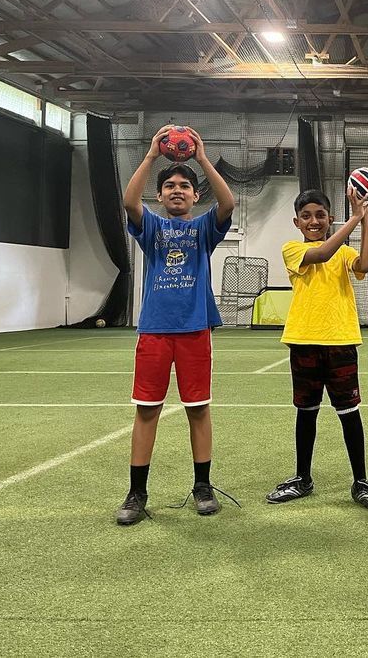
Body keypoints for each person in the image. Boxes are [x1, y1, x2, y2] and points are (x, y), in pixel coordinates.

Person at [117, 125, 236, 526]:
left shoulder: (202, 229)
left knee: (198, 409)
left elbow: (229, 202)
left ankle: (202, 486)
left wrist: (202, 157)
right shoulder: (152, 226)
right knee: (147, 411)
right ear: (160, 194)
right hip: (154, 330)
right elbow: (129, 201)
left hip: (194, 329)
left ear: (194, 194)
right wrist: (151, 155)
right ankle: (137, 493)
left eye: (185, 186)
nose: (178, 191)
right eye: (170, 187)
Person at [266, 187, 368, 512]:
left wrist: (365, 222)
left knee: (349, 414)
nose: (314, 221)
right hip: (304, 341)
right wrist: (355, 217)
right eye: (306, 216)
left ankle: (361, 481)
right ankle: (302, 478)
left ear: (330, 218)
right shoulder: (292, 249)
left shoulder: (344, 252)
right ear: (297, 221)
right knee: (306, 413)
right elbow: (321, 254)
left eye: (320, 215)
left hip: (341, 342)